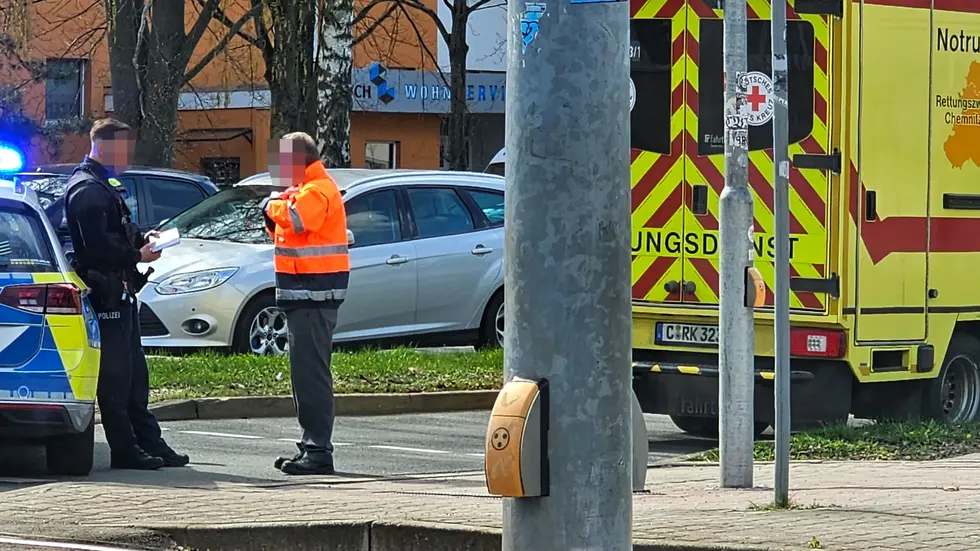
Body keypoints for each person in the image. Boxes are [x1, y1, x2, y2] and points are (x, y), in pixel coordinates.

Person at [64, 118, 190, 471]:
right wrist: (136, 255)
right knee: (117, 378)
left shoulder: (103, 185)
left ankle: (149, 442)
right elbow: (97, 246)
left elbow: (117, 230)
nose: (126, 156)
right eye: (122, 149)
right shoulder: (87, 189)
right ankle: (125, 449)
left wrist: (140, 239)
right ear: (102, 146)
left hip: (121, 291)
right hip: (107, 293)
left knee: (135, 374)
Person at [262, 133, 349, 476]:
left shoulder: (317, 191)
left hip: (314, 295)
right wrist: (277, 210)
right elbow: (289, 232)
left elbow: (297, 220)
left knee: (311, 374)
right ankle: (311, 446)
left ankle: (317, 449)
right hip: (305, 295)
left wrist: (272, 206)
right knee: (305, 374)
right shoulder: (306, 191)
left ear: (298, 160)